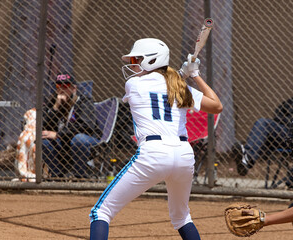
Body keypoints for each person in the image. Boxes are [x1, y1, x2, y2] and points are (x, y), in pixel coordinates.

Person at [89, 38, 223, 240]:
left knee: (101, 212)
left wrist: (183, 74)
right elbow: (216, 105)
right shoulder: (180, 87)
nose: (132, 64)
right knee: (182, 217)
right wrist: (194, 76)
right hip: (184, 155)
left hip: (153, 153)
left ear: (151, 61)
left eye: (137, 59)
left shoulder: (133, 84)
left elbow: (158, 84)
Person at [42, 73, 102, 178]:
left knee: (79, 139)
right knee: (43, 140)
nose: (61, 89)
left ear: (74, 89)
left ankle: (79, 177)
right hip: (64, 140)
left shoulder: (84, 101)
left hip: (87, 139)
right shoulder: (53, 101)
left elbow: (86, 126)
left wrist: (58, 134)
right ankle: (57, 176)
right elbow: (45, 126)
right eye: (58, 86)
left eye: (65, 86)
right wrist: (56, 108)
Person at [235, 97, 293, 176]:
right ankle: (247, 158)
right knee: (262, 123)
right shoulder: (290, 103)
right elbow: (278, 116)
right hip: (285, 134)